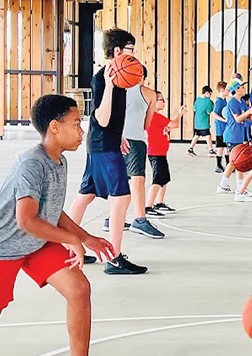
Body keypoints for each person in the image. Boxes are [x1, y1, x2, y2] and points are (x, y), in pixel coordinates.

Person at [0, 95, 115, 356]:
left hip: (35, 243)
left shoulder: (59, 160)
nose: (82, 130)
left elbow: (53, 210)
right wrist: (71, 240)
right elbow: (27, 219)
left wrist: (87, 238)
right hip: (1, 246)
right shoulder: (32, 163)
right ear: (54, 127)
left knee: (78, 289)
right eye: (76, 123)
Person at [68, 28, 147, 275]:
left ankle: (68, 248)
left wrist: (119, 135)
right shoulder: (104, 79)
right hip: (103, 145)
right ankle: (113, 258)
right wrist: (111, 87)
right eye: (130, 50)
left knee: (86, 195)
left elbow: (110, 120)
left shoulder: (121, 78)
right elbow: (101, 118)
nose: (134, 56)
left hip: (104, 143)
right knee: (121, 198)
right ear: (117, 51)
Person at [118, 66, 164, 237]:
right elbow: (146, 124)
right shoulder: (149, 93)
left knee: (119, 179)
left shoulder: (117, 89)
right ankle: (140, 220)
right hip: (135, 139)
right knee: (137, 179)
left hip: (116, 137)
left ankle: (114, 218)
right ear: (143, 76)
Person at [146, 91, 185, 216]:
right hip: (156, 153)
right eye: (160, 100)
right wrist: (179, 115)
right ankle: (148, 206)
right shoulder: (155, 116)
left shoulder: (157, 117)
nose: (163, 102)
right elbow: (175, 124)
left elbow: (168, 125)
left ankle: (159, 203)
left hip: (161, 153)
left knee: (164, 179)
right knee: (158, 180)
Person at [216, 81, 252, 194]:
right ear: (237, 90)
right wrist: (249, 112)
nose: (244, 89)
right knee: (235, 162)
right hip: (232, 136)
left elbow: (245, 119)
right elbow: (238, 119)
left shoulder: (242, 101)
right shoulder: (232, 102)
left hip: (239, 135)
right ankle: (222, 185)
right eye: (242, 87)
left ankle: (239, 187)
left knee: (239, 162)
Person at [187, 85, 216, 157]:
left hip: (197, 121)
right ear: (206, 93)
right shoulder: (208, 101)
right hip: (204, 122)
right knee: (208, 136)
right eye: (210, 94)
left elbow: (195, 109)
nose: (210, 95)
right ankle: (211, 150)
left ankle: (190, 149)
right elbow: (208, 112)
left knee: (196, 135)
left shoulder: (198, 99)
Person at [211, 81, 229, 173]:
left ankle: (228, 164)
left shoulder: (224, 101)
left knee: (226, 147)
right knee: (220, 147)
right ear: (222, 90)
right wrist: (224, 120)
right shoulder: (219, 101)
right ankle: (218, 165)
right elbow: (214, 113)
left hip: (225, 128)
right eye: (227, 89)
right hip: (220, 128)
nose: (229, 91)